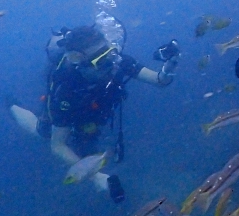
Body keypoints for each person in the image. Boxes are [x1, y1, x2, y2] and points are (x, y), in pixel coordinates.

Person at [10, 25, 180, 203]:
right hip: (73, 114)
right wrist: (95, 176)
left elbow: (160, 81)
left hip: (94, 116)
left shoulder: (117, 61)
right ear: (78, 61)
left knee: (88, 142)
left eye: (110, 53)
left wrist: (170, 64)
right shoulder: (65, 89)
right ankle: (12, 105)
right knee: (43, 132)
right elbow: (58, 145)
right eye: (101, 60)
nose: (111, 63)